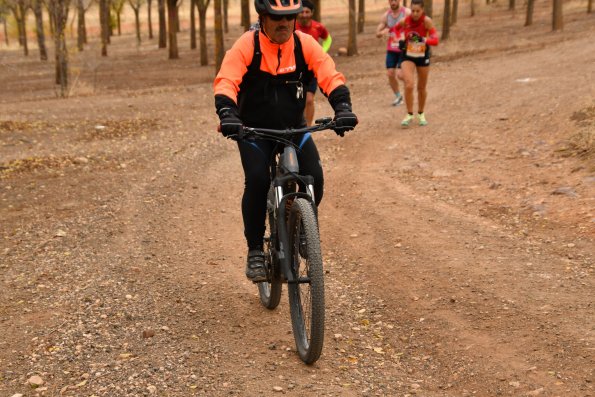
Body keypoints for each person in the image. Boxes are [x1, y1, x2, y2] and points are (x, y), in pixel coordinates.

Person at [213, 0, 358, 282]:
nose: (285, 24)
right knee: (257, 180)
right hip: (253, 130)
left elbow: (328, 73)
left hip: (294, 128)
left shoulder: (305, 44)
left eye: (290, 18)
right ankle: (255, 249)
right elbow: (226, 81)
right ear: (262, 17)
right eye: (277, 18)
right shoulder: (247, 45)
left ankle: (300, 226)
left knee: (314, 176)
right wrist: (228, 114)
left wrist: (343, 107)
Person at [394, 0, 438, 127]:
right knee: (409, 85)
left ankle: (421, 113)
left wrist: (423, 39)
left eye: (418, 11)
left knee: (421, 87)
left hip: (422, 55)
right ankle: (409, 114)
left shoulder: (426, 21)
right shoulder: (405, 20)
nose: (415, 13)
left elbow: (436, 40)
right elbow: (395, 30)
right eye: (413, 10)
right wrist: (399, 39)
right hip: (407, 55)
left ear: (422, 10)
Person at [296, 0, 332, 126]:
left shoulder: (318, 27)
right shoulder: (292, 26)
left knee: (309, 100)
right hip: (295, 70)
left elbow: (328, 39)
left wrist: (322, 51)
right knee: (295, 101)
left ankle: (308, 128)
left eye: (307, 12)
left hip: (312, 69)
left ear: (312, 13)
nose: (304, 14)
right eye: (302, 11)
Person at [376, 0, 411, 106]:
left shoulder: (407, 12)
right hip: (391, 49)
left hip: (404, 49)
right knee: (390, 73)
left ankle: (409, 90)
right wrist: (382, 32)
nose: (393, 2)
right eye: (391, 0)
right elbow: (377, 33)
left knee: (401, 75)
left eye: (395, 0)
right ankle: (398, 96)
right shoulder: (386, 16)